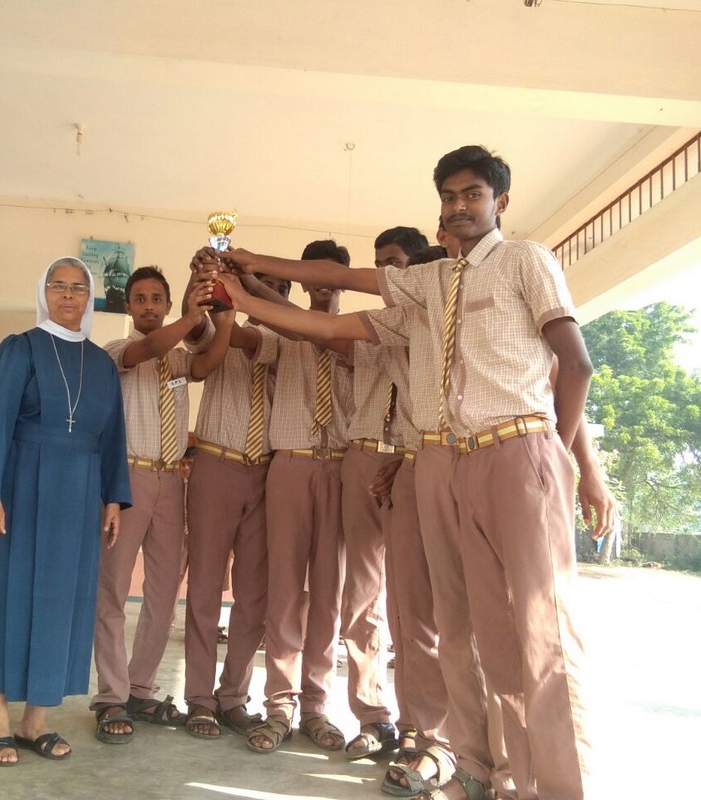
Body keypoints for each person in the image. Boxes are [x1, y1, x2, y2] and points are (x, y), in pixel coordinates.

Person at [200, 144, 618, 799]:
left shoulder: (525, 260)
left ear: (500, 201)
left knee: (543, 633)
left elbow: (577, 363)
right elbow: (321, 309)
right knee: (474, 630)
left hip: (518, 448)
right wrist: (247, 268)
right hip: (446, 459)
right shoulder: (430, 285)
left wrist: (558, 461)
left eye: (473, 195)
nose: (459, 208)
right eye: (449, 197)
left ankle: (564, 787)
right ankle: (483, 769)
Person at [0, 256, 131, 767]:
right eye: (59, 286)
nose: (68, 296)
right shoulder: (19, 350)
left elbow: (113, 436)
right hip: (19, 488)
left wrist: (113, 496)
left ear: (89, 297)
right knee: (7, 593)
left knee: (59, 602)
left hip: (78, 497)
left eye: (78, 288)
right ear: (44, 293)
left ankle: (38, 720)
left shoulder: (100, 364)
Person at [91, 266, 233, 744]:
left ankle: (139, 688)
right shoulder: (116, 352)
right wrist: (192, 316)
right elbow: (148, 349)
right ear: (129, 307)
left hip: (173, 480)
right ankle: (109, 696)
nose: (149, 306)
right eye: (141, 299)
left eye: (158, 299)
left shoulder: (179, 360)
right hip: (125, 480)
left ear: (167, 305)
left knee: (164, 592)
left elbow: (207, 363)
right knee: (111, 591)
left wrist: (217, 314)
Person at [241, 240, 355, 755]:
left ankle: (317, 706)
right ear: (305, 280)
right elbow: (247, 341)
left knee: (330, 594)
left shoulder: (363, 332)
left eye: (335, 274)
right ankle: (280, 706)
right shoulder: (279, 332)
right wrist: (234, 281)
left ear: (345, 278)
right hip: (290, 464)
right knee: (284, 589)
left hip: (342, 468)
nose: (324, 283)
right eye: (316, 274)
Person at [339, 226, 430, 761]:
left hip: (416, 460)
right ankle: (372, 716)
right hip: (363, 456)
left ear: (418, 268)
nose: (385, 275)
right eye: (379, 265)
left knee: (416, 603)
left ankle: (421, 722)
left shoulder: (436, 321)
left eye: (394, 264)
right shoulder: (372, 323)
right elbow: (320, 331)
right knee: (363, 596)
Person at [181, 264, 282, 740]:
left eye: (279, 289)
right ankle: (200, 699)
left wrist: (237, 310)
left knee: (254, 595)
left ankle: (234, 697)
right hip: (216, 465)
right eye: (260, 285)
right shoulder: (218, 325)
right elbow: (200, 333)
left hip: (267, 473)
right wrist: (205, 284)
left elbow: (248, 339)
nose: (270, 295)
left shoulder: (288, 341)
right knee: (203, 587)